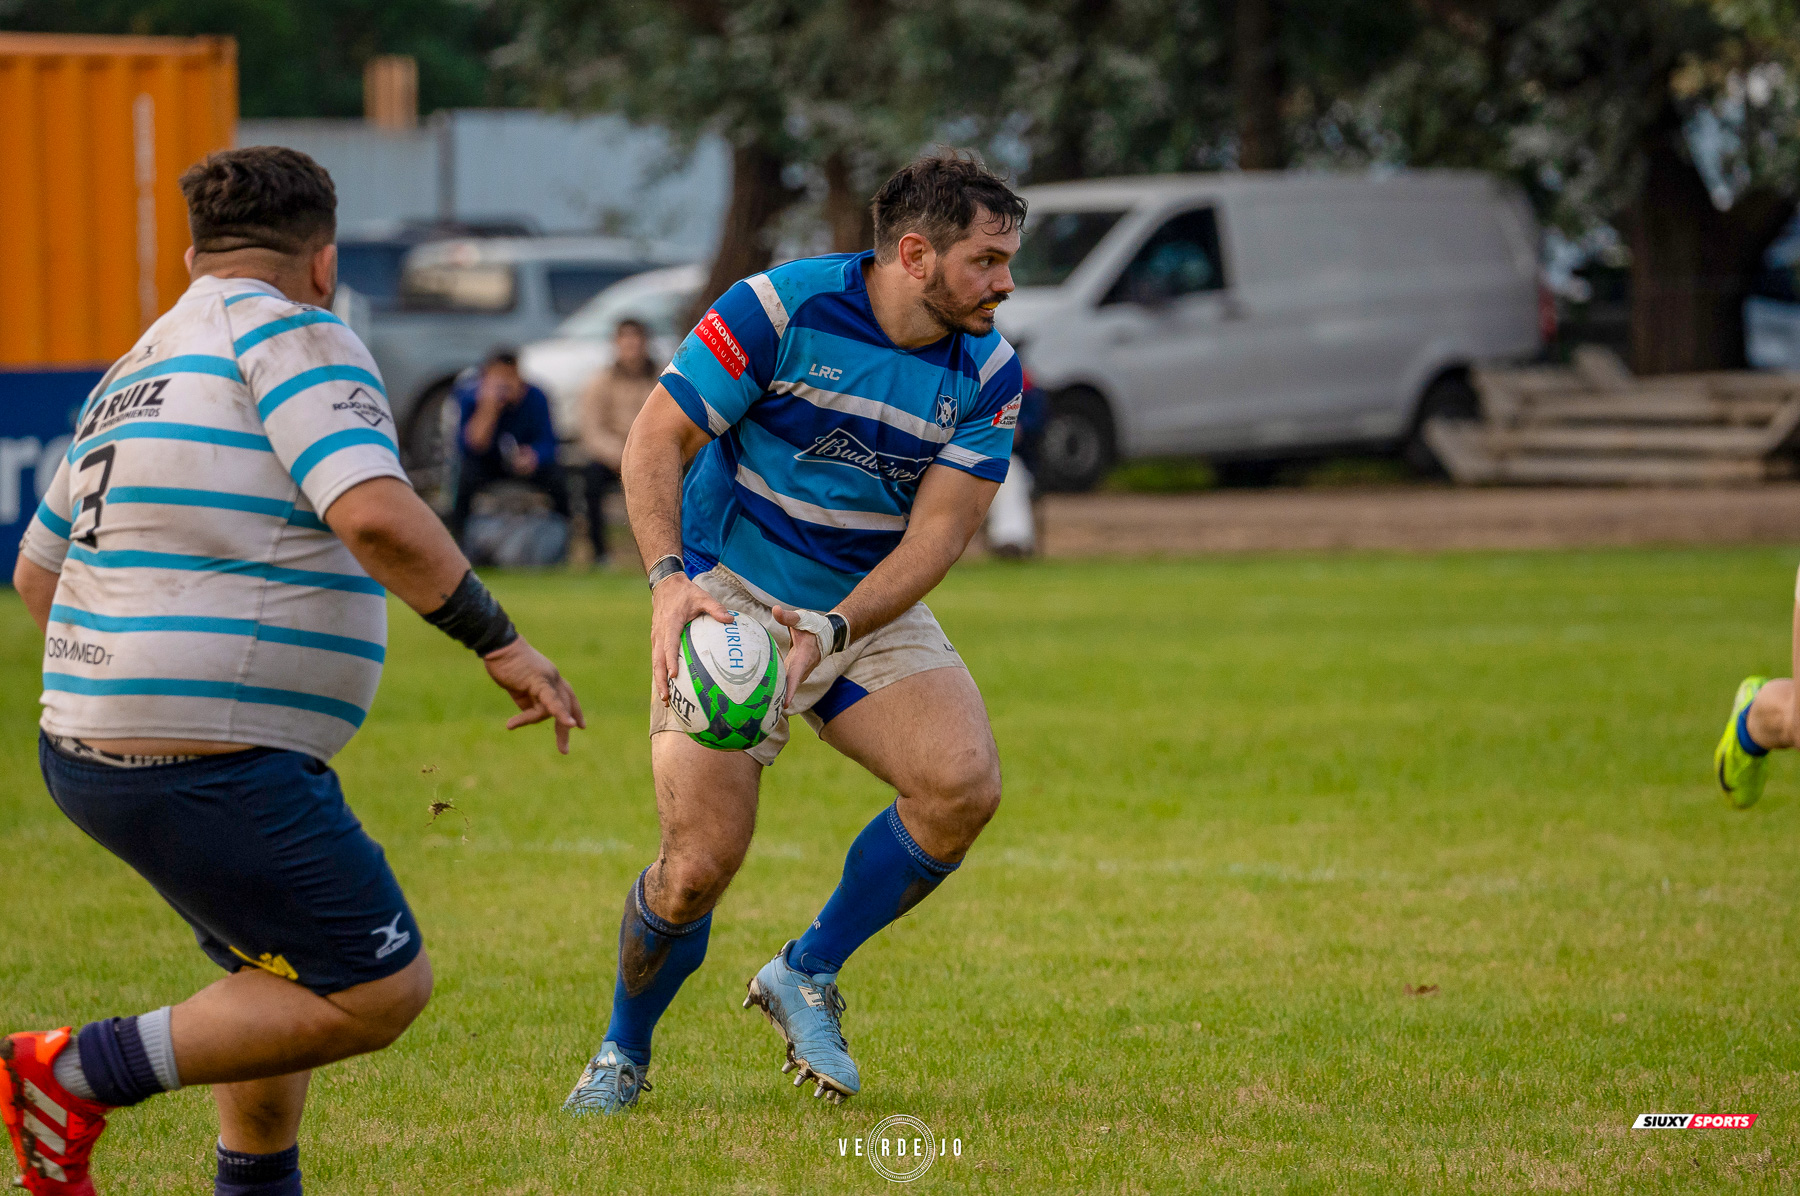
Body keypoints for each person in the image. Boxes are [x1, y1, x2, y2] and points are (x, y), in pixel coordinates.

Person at [2, 146, 584, 1196]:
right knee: (378, 986)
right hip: (206, 755)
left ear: (191, 255)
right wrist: (502, 640)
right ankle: (75, 1069)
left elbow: (37, 577)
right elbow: (372, 511)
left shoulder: (135, 366)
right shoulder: (300, 333)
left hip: (85, 745)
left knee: (275, 977)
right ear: (322, 263)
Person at [564, 152, 1026, 1114]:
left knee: (960, 786)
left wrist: (841, 621)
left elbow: (942, 531)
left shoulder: (988, 369)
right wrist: (666, 586)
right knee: (696, 870)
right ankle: (621, 1051)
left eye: (1007, 259)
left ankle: (804, 971)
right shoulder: (778, 311)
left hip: (859, 599)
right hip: (723, 598)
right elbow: (658, 437)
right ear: (915, 254)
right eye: (985, 260)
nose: (1005, 282)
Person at [448, 349, 570, 548]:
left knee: (558, 480)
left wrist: (534, 456)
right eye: (498, 378)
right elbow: (471, 446)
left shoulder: (536, 396)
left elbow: (549, 442)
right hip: (487, 465)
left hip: (524, 465)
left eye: (509, 377)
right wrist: (489, 408)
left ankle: (561, 544)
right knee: (464, 479)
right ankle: (460, 545)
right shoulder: (469, 397)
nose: (504, 385)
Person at [576, 318, 660, 564]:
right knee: (590, 481)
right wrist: (622, 456)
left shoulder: (661, 379)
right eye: (626, 340)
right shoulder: (600, 383)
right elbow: (592, 430)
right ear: (616, 343)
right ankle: (600, 554)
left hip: (654, 456)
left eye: (637, 339)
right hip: (613, 459)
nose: (632, 346)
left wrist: (646, 455)